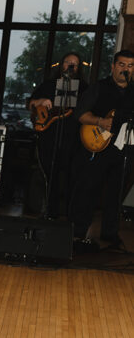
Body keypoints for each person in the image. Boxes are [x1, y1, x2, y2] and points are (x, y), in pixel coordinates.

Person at [70, 49, 134, 250]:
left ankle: (110, 233)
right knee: (89, 189)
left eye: (130, 66)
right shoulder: (99, 87)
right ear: (114, 66)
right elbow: (80, 114)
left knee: (117, 192)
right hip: (97, 148)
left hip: (124, 149)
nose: (126, 69)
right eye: (122, 65)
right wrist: (101, 121)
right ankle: (78, 233)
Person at [27, 51, 87, 218]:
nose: (71, 66)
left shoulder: (84, 88)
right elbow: (30, 103)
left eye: (75, 64)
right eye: (68, 62)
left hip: (74, 139)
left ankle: (67, 214)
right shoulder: (49, 84)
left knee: (70, 176)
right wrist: (40, 102)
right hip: (49, 137)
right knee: (49, 173)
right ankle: (49, 211)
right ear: (62, 65)